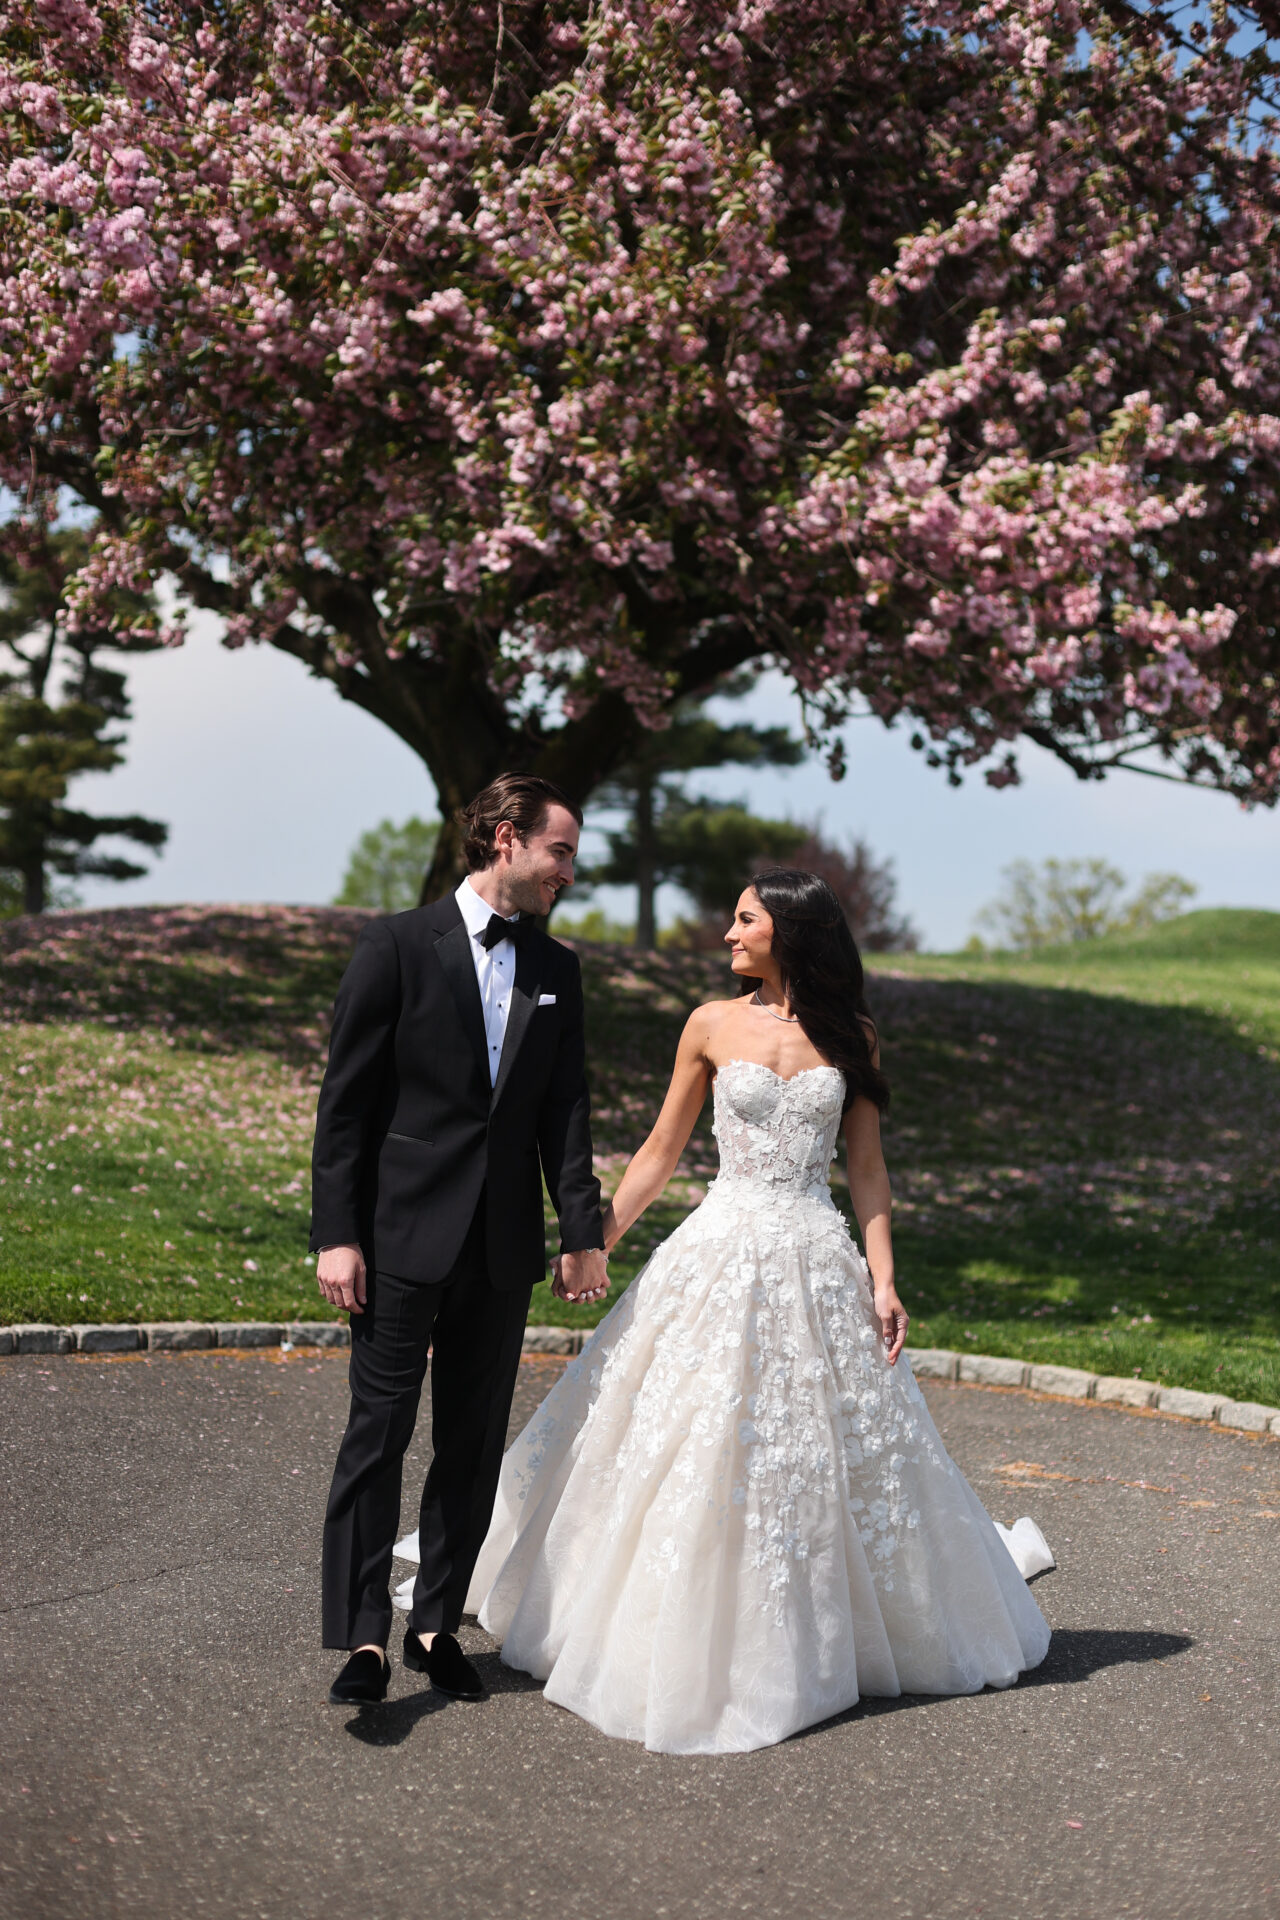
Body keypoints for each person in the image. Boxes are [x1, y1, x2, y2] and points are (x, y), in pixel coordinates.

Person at [400, 867, 1053, 1753]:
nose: (727, 934)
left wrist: (885, 1278)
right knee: (691, 1431)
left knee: (829, 1446)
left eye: (743, 920)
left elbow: (866, 1172)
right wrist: (598, 1240)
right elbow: (661, 1151)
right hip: (721, 1246)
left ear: (788, 930)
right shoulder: (709, 1023)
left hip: (817, 1258)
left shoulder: (850, 1035)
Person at [312, 773, 609, 1708]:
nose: (570, 869)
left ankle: (435, 1622)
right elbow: (346, 1108)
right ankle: (362, 1637)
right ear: (507, 839)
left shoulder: (557, 970)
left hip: (503, 1247)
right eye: (560, 851)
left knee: (472, 1441)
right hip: (399, 1239)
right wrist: (338, 1236)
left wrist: (581, 1229)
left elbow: (566, 1110)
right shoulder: (395, 947)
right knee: (380, 1435)